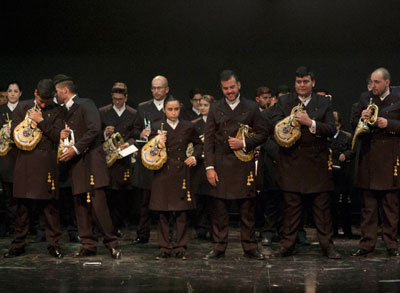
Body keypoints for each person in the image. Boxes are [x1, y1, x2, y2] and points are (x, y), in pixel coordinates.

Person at [270, 66, 341, 259]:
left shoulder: (323, 102)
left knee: (322, 210)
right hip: (291, 163)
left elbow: (331, 129)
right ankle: (287, 245)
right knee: (291, 209)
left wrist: (310, 123)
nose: (302, 85)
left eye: (306, 81)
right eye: (299, 82)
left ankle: (327, 246)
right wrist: (292, 122)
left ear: (313, 82)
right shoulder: (284, 101)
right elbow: (274, 125)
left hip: (317, 164)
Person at [54, 74, 121, 259]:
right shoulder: (63, 110)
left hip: (91, 161)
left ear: (64, 91)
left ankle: (112, 243)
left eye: (57, 92)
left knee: (98, 205)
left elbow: (94, 129)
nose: (55, 95)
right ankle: (88, 244)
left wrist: (75, 149)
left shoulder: (85, 103)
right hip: (76, 165)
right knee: (80, 205)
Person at [203, 70, 267, 260]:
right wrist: (209, 167)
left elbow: (263, 133)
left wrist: (244, 143)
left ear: (239, 85)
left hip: (243, 164)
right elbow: (208, 140)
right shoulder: (215, 107)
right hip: (221, 164)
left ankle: (250, 247)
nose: (229, 91)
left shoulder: (252, 107)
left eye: (232, 87)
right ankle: (218, 246)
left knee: (247, 209)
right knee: (220, 209)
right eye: (225, 88)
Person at [4, 79, 64, 258]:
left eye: (47, 100)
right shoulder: (22, 107)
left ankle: (54, 245)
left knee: (50, 207)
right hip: (25, 162)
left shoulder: (57, 109)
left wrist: (41, 121)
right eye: (41, 100)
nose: (44, 104)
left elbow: (56, 136)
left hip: (46, 162)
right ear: (35, 93)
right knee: (21, 207)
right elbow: (14, 135)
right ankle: (18, 245)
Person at [351, 67, 400, 257]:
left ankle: (391, 244)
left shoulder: (397, 99)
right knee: (368, 206)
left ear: (387, 83)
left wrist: (390, 124)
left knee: (390, 205)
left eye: (377, 82)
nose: (373, 86)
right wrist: (361, 119)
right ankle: (367, 244)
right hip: (369, 156)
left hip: (389, 155)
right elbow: (352, 122)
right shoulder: (365, 98)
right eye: (371, 82)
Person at [149, 96, 202, 260]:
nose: (173, 112)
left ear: (180, 109)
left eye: (176, 109)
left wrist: (195, 157)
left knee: (181, 212)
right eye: (170, 109)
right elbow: (148, 151)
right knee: (163, 212)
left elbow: (199, 144)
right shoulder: (157, 126)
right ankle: (164, 246)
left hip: (181, 172)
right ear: (164, 110)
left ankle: (180, 246)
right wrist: (157, 142)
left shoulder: (188, 126)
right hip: (162, 171)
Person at [131, 75, 169, 245]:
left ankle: (168, 234)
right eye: (153, 88)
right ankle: (143, 233)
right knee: (145, 199)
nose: (156, 91)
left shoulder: (174, 106)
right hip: (147, 158)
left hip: (166, 159)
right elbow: (135, 129)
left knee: (167, 199)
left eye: (159, 88)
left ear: (166, 89)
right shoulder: (143, 107)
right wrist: (140, 133)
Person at [99, 82, 137, 236]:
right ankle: (107, 226)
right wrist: (105, 133)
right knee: (109, 193)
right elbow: (95, 132)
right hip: (108, 159)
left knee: (122, 195)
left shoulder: (133, 113)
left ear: (126, 98)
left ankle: (119, 225)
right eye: (115, 99)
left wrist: (129, 143)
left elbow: (136, 134)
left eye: (120, 99)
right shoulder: (103, 112)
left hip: (124, 159)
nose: (117, 102)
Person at [191, 94, 215, 239]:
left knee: (212, 199)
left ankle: (213, 228)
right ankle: (201, 227)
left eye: (206, 105)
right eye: (201, 105)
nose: (203, 108)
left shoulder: (216, 122)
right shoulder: (194, 124)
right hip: (198, 165)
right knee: (199, 198)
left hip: (212, 164)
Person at [0, 82, 21, 237]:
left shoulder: (25, 110)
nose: (12, 94)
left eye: (15, 91)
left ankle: (25, 226)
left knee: (22, 194)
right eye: (10, 91)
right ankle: (11, 226)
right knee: (8, 194)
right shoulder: (1, 111)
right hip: (5, 157)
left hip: (21, 156)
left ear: (20, 93)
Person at [329, 111, 353, 238]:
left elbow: (352, 150)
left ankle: (346, 229)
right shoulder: (325, 136)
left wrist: (346, 154)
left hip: (342, 175)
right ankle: (331, 230)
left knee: (343, 203)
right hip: (328, 174)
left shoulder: (347, 136)